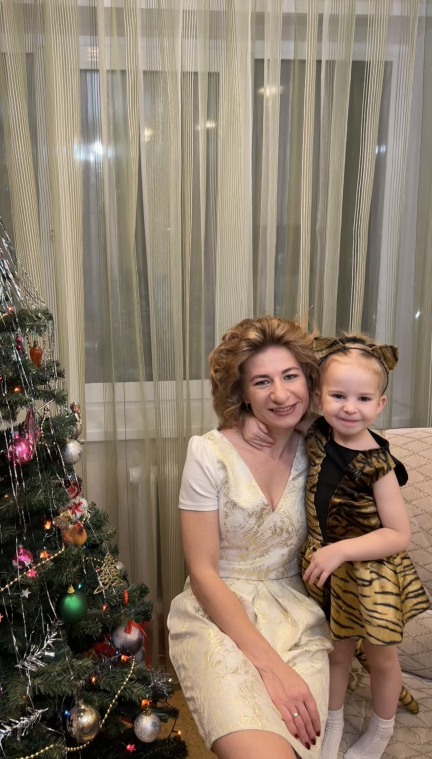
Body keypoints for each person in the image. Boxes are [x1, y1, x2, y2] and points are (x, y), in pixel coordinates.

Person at [245, 334, 430, 759]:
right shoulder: (319, 432)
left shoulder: (378, 464)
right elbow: (280, 422)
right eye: (338, 396)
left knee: (381, 659)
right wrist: (252, 421)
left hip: (372, 574)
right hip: (331, 574)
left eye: (363, 399)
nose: (350, 407)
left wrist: (340, 550)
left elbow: (398, 534)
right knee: (337, 654)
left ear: (380, 405)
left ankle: (380, 731)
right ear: (319, 397)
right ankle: (333, 723)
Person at [167, 316, 331, 759]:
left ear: (309, 379)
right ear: (242, 393)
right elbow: (202, 571)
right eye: (262, 382)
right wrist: (272, 669)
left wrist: (305, 425)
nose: (280, 394)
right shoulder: (209, 453)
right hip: (217, 614)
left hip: (297, 619)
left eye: (291, 376)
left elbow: (358, 386)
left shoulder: (322, 448)